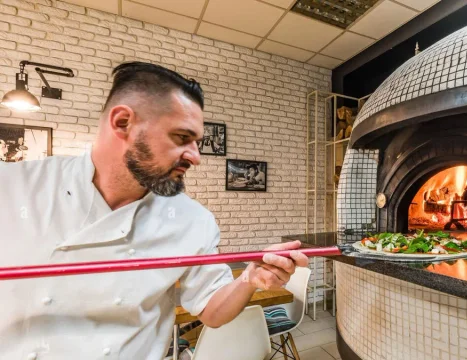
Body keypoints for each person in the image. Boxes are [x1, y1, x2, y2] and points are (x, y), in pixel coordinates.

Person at [0, 62, 308, 359]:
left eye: (197, 142)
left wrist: (249, 279)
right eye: (182, 137)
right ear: (123, 123)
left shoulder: (192, 221)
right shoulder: (13, 187)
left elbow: (212, 312)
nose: (196, 157)